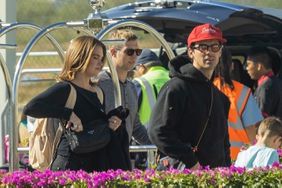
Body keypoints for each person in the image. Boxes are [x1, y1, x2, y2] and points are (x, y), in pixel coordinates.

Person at [23, 35, 129, 172]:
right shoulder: (65, 88)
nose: (100, 63)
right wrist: (68, 114)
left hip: (94, 163)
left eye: (102, 58)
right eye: (95, 57)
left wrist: (112, 124)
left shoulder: (98, 91)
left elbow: (94, 126)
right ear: (80, 56)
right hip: (69, 166)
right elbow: (30, 108)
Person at [148, 23, 231, 169]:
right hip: (183, 177)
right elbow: (158, 131)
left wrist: (227, 171)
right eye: (203, 47)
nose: (209, 52)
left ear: (220, 52)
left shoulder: (220, 97)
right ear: (191, 52)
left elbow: (224, 143)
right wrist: (191, 162)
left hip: (215, 179)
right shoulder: (176, 87)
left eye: (215, 47)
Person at [98, 29, 151, 146]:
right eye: (129, 52)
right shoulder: (98, 83)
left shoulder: (132, 87)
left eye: (138, 51)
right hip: (99, 157)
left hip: (122, 157)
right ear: (113, 52)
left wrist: (161, 146)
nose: (134, 56)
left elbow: (135, 127)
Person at [213, 48, 263, 160]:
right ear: (231, 66)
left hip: (203, 160)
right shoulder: (242, 92)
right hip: (237, 159)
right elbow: (253, 130)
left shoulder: (198, 89)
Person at [133, 48, 170, 126]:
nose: (134, 74)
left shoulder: (139, 83)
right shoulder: (174, 77)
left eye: (135, 69)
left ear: (141, 67)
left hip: (146, 135)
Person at [246, 46, 282, 119]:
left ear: (259, 66)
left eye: (248, 64)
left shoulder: (265, 87)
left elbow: (260, 119)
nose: (247, 68)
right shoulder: (277, 82)